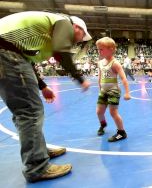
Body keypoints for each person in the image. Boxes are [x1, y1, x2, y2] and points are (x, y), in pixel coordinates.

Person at [0, 11, 91, 182]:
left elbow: (26, 60)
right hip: (6, 54)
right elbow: (60, 52)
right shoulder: (64, 21)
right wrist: (80, 79)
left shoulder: (43, 32)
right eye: (81, 36)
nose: (79, 41)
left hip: (8, 54)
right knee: (30, 112)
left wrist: (42, 86)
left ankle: (38, 151)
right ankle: (37, 167)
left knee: (25, 110)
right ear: (76, 27)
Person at [95, 37, 131, 142]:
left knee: (113, 112)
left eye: (101, 49)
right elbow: (100, 76)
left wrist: (127, 92)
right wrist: (100, 87)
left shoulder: (115, 63)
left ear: (111, 49)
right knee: (99, 111)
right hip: (103, 91)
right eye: (98, 49)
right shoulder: (100, 63)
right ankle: (103, 124)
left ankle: (121, 132)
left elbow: (124, 78)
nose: (99, 51)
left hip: (113, 90)